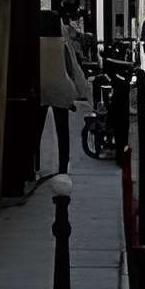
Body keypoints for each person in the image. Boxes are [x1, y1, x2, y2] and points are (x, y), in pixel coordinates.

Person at [37, 10, 87, 177]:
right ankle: (63, 167)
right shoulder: (62, 43)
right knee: (62, 130)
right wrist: (78, 91)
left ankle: (35, 165)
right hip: (60, 87)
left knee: (36, 129)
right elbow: (70, 66)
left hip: (40, 87)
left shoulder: (36, 43)